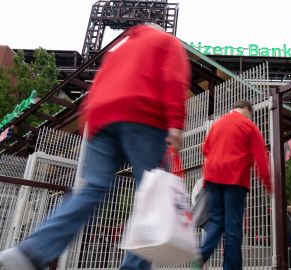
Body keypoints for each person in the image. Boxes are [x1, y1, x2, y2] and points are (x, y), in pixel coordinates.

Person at [0, 23, 190, 270]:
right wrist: (175, 124)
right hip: (144, 116)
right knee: (153, 198)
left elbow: (97, 86)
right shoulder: (167, 42)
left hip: (101, 120)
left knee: (92, 189)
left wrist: (89, 127)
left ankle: (29, 253)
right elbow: (173, 79)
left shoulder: (121, 47)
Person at [195, 100, 271, 270]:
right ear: (247, 110)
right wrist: (268, 184)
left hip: (212, 177)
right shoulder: (249, 125)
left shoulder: (217, 124)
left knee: (216, 221)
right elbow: (261, 158)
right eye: (250, 114)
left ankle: (201, 255)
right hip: (235, 179)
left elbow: (205, 149)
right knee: (233, 228)